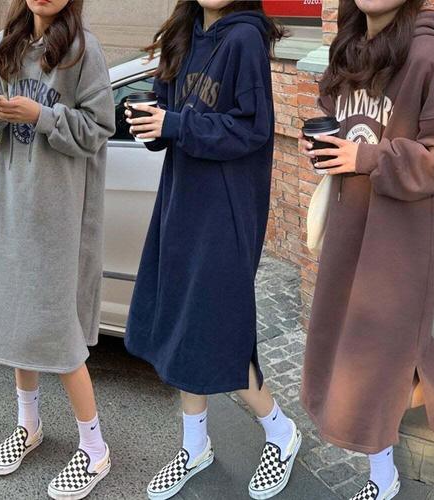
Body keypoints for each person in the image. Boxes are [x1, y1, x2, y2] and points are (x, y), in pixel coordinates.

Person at [124, 1, 300, 499]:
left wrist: (175, 125)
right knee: (184, 324)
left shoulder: (244, 39)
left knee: (220, 329)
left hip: (225, 212)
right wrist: (149, 122)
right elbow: (169, 120)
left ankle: (282, 432)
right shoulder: (184, 34)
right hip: (180, 204)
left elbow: (252, 130)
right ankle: (195, 445)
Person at [298, 1, 434, 499]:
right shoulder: (348, 47)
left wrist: (366, 156)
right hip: (351, 226)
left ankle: (384, 475)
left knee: (373, 364)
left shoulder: (428, 56)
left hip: (400, 244)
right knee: (361, 349)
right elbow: (337, 118)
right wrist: (324, 146)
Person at [0, 0, 115, 498]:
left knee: (58, 331)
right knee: (17, 322)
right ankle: (28, 425)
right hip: (12, 208)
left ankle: (94, 447)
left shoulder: (84, 51)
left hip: (60, 217)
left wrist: (41, 115)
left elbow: (98, 129)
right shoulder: (4, 45)